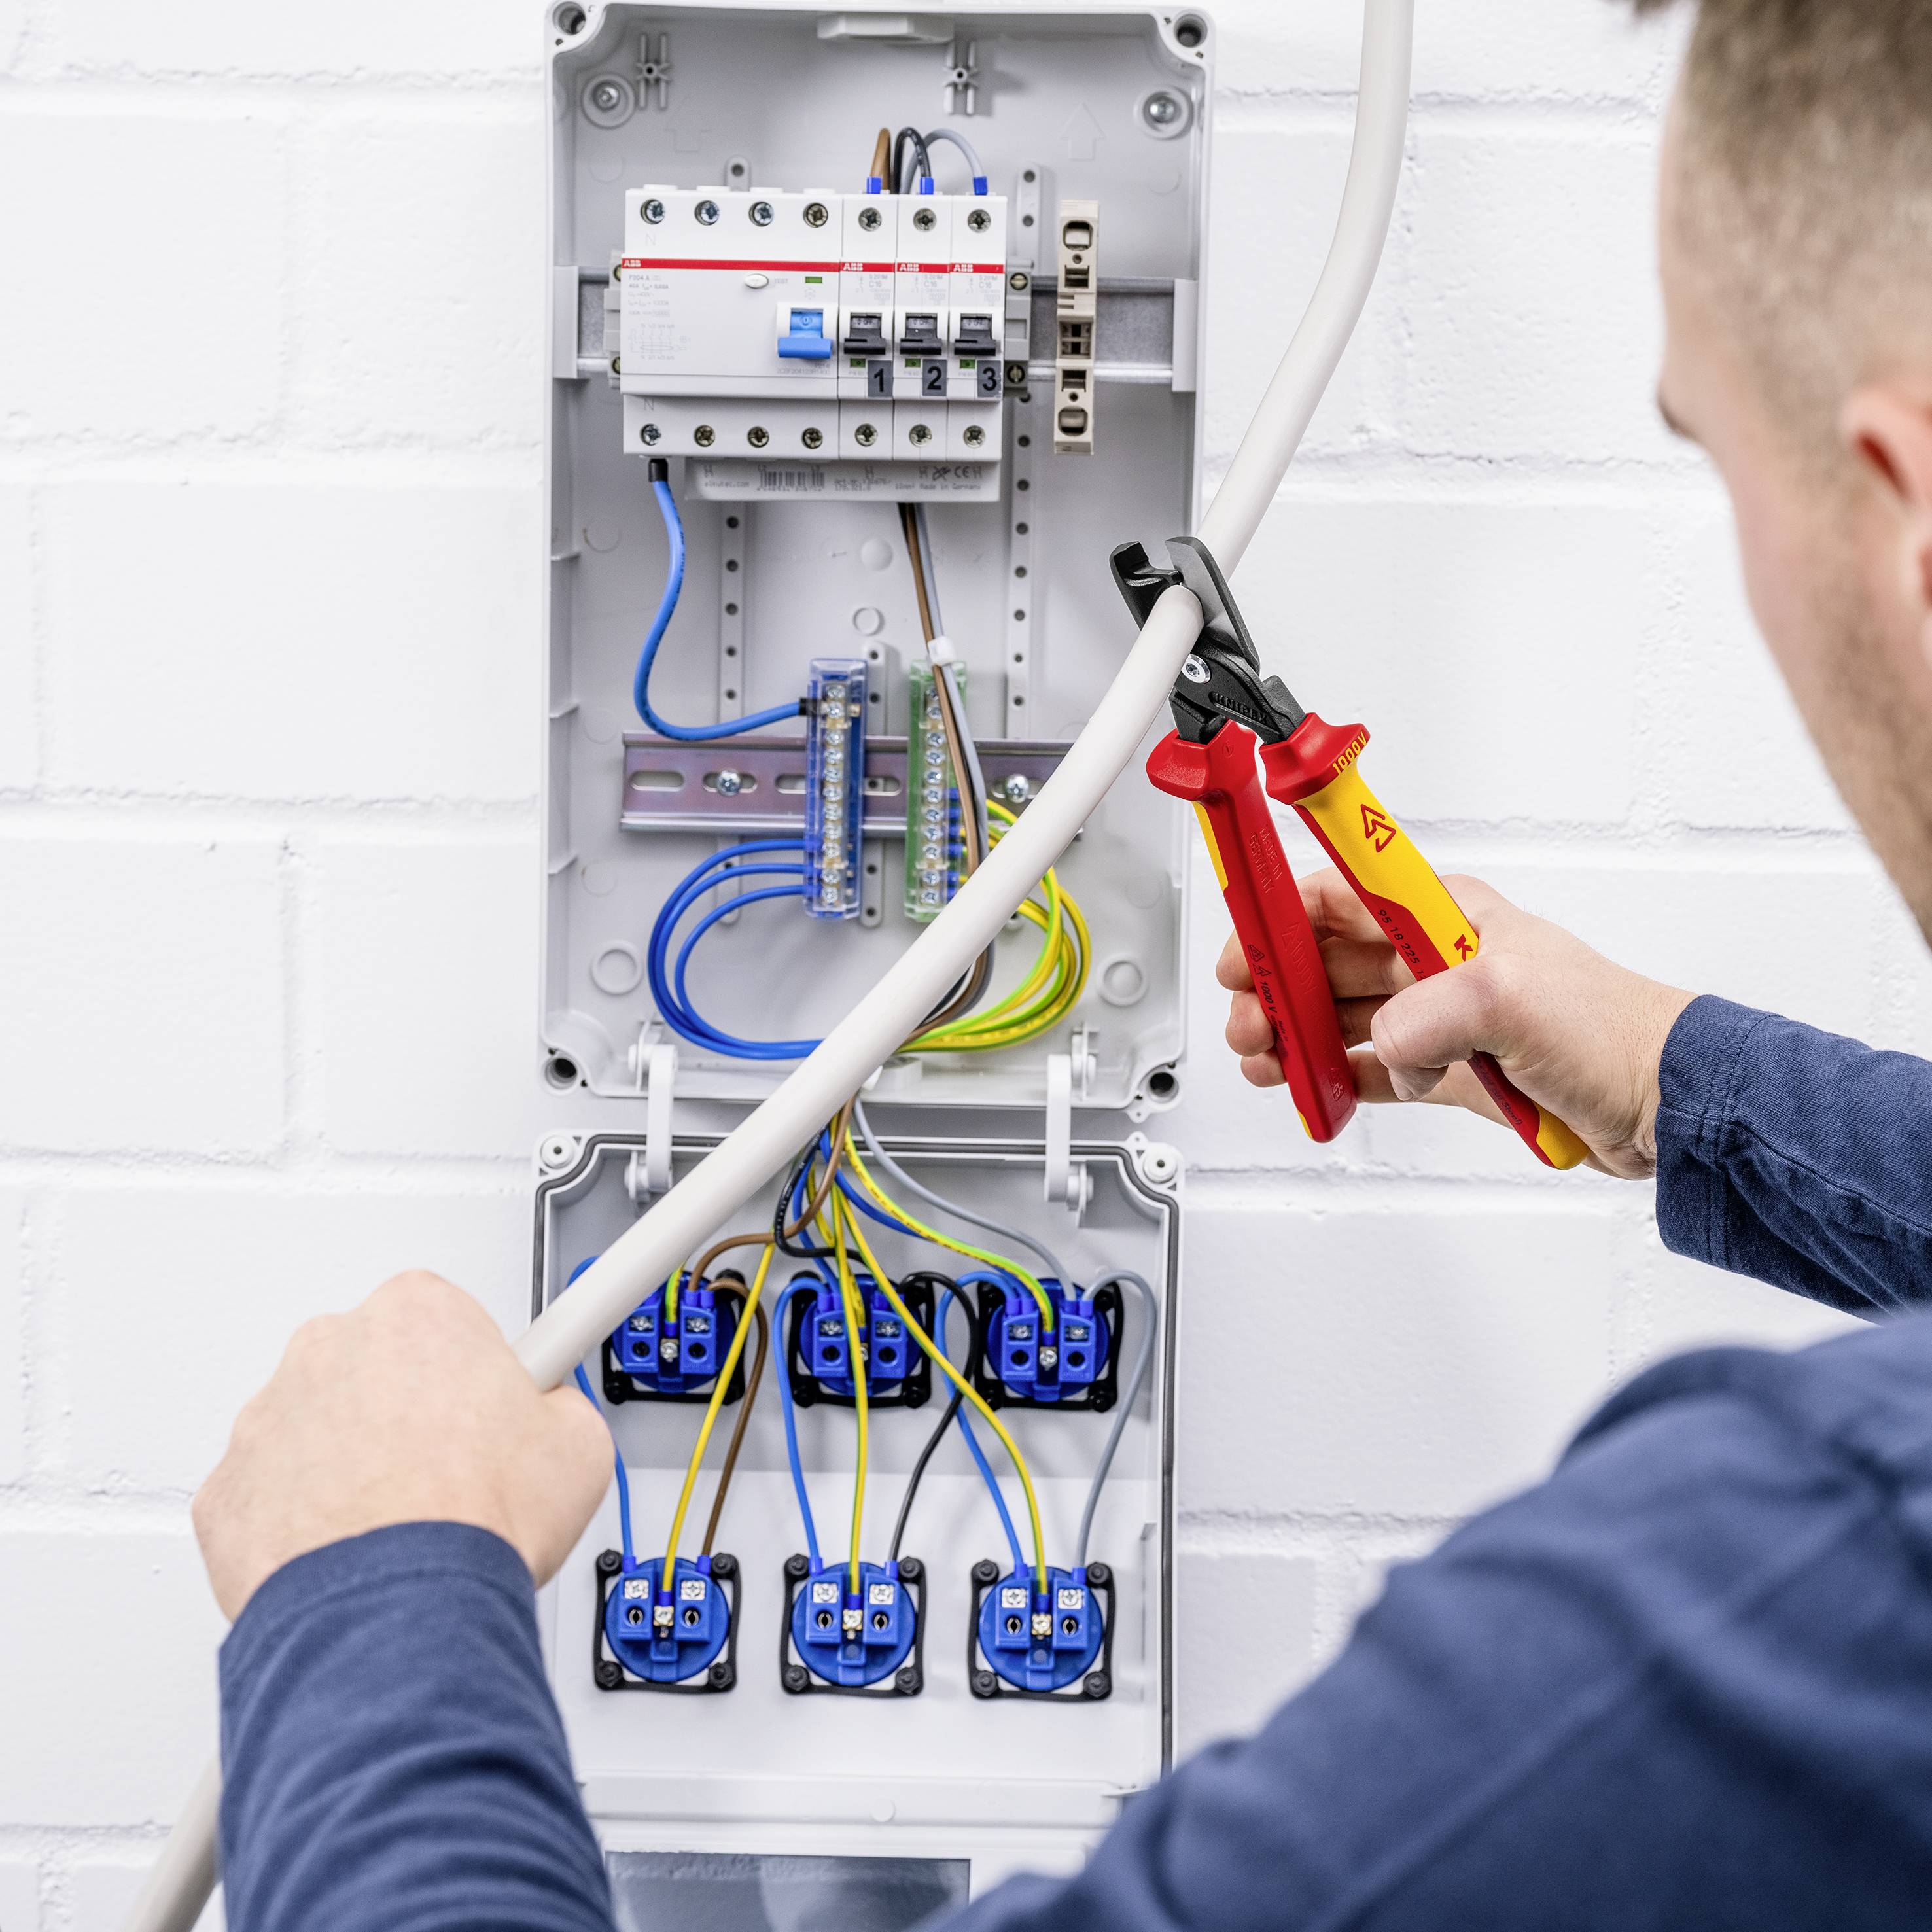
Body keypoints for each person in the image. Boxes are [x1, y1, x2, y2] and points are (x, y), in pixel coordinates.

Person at [196, 1, 1932, 1925]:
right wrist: (1684, 1073)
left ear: (1905, 515)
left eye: (1713, 459)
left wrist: (366, 1597)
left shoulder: (1796, 1586)